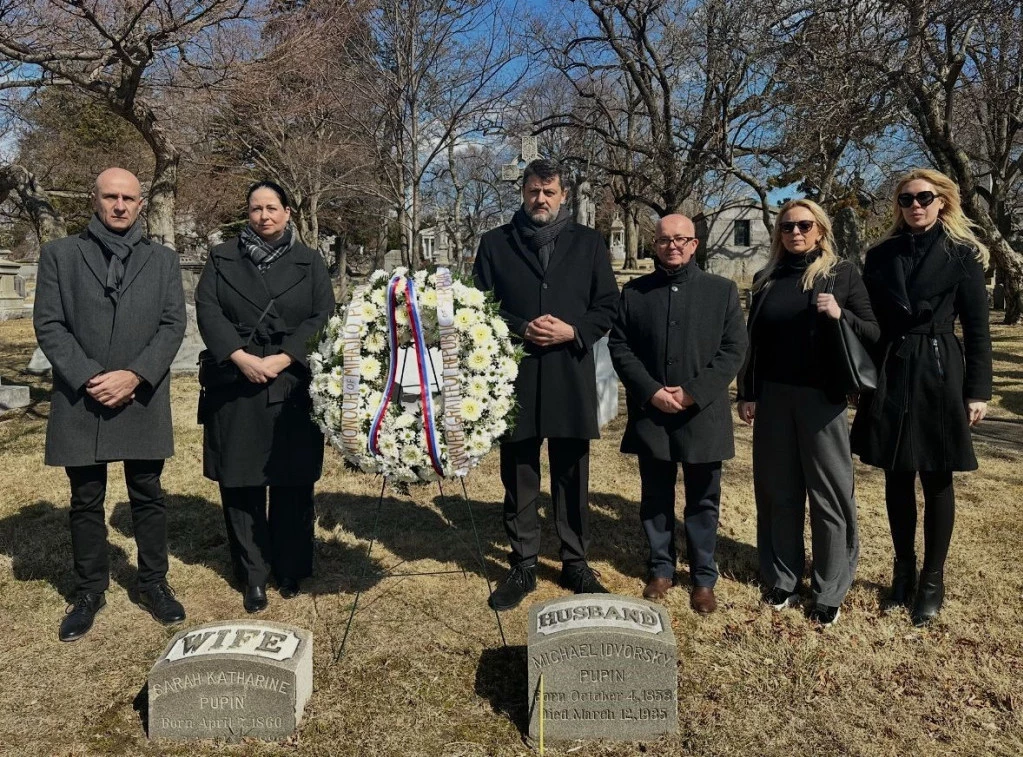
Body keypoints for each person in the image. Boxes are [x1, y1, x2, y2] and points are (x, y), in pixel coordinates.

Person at [34, 167, 187, 642]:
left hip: (141, 393)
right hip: (84, 397)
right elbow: (50, 323)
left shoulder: (163, 261)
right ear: (94, 199)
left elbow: (171, 324)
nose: (120, 206)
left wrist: (136, 374)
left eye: (129, 198)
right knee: (85, 499)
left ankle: (153, 583)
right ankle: (89, 590)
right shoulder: (60, 255)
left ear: (141, 204)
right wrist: (89, 376)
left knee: (148, 493)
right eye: (111, 197)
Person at [473, 159, 619, 611]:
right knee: (519, 471)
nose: (541, 199)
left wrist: (573, 331)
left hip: (569, 372)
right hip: (517, 374)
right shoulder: (496, 243)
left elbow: (608, 304)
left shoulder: (589, 243)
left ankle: (575, 561)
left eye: (549, 192)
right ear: (523, 192)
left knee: (572, 471)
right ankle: (523, 563)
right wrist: (519, 328)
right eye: (534, 191)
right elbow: (479, 304)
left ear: (564, 196)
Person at [851, 169, 992, 626]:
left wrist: (978, 391)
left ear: (942, 202)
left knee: (936, 475)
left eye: (924, 197)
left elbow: (977, 330)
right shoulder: (880, 255)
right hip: (892, 365)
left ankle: (933, 580)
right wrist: (861, 381)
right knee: (896, 473)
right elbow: (869, 323)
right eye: (907, 198)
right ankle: (903, 572)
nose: (915, 205)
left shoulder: (963, 254)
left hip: (939, 366)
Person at [736, 200, 879, 627]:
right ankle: (782, 577)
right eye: (787, 227)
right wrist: (747, 391)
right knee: (778, 491)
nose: (795, 233)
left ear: (820, 230)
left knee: (829, 495)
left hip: (823, 399)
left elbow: (873, 332)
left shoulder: (842, 273)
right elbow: (753, 343)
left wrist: (841, 313)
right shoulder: (766, 279)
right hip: (774, 397)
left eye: (804, 225)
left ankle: (829, 588)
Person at [195, 180, 335, 613]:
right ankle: (253, 572)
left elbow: (322, 314)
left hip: (290, 380)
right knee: (241, 482)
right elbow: (208, 310)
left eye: (272, 207)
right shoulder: (221, 259)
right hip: (236, 380)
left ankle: (291, 565)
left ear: (288, 212)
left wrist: (283, 357)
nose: (264, 216)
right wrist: (240, 357)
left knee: (293, 480)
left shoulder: (310, 262)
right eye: (256, 209)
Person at [608, 214, 747, 614]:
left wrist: (692, 393)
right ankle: (662, 568)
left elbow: (734, 349)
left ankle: (703, 577)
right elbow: (620, 347)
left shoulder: (721, 291)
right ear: (655, 245)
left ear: (694, 243)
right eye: (665, 240)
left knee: (703, 500)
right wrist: (651, 391)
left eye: (681, 239)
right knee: (655, 495)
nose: (673, 246)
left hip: (701, 413)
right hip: (652, 412)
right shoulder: (635, 292)